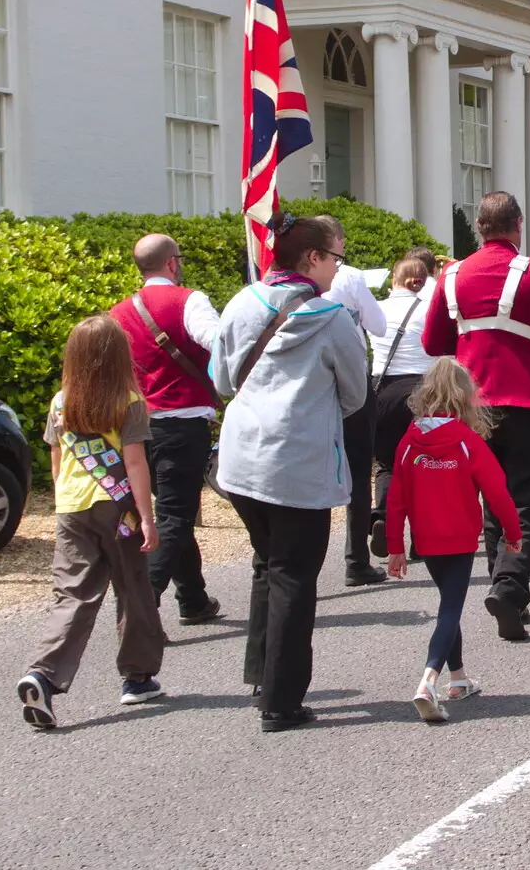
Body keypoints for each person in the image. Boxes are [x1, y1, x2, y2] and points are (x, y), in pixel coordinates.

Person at [210, 212, 369, 733]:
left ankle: (261, 671)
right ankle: (280, 700)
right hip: (296, 461)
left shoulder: (240, 301)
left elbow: (221, 379)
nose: (336, 270)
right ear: (313, 258)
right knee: (294, 576)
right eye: (335, 259)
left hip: (241, 456)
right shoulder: (332, 317)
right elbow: (354, 394)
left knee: (268, 562)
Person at [422, 191, 530, 640]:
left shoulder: (452, 274)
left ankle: (508, 594)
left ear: (478, 227)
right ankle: (510, 584)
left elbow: (431, 342)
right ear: (518, 224)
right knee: (525, 503)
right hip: (529, 404)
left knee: (490, 504)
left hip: (471, 408)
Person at [17, 316, 165, 729]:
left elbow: (56, 458)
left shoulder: (61, 401)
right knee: (132, 587)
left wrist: (62, 503)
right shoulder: (130, 401)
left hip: (72, 506)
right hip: (119, 508)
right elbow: (134, 463)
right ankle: (137, 677)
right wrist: (148, 518)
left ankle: (43, 675)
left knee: (73, 594)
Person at [385, 358, 521, 723]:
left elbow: (394, 498)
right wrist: (513, 532)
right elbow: (498, 493)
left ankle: (458, 679)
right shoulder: (467, 441)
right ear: (465, 396)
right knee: (450, 610)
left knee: (449, 603)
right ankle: (428, 680)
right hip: (459, 537)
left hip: (425, 539)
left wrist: (395, 546)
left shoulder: (410, 441)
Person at [108, 233, 223, 624]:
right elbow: (219, 343)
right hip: (182, 421)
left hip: (136, 426)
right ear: (172, 263)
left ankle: (193, 598)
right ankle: (144, 602)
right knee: (175, 515)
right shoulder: (188, 300)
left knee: (175, 511)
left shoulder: (117, 313)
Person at [319, 215, 389, 587]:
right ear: (339, 243)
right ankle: (355, 559)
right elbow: (378, 326)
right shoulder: (350, 276)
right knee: (359, 471)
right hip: (349, 378)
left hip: (309, 382)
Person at [369, 253, 438, 562]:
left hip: (382, 389)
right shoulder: (428, 309)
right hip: (421, 389)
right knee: (423, 465)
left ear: (394, 279)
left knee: (386, 462)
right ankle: (420, 540)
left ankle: (383, 514)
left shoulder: (378, 309)